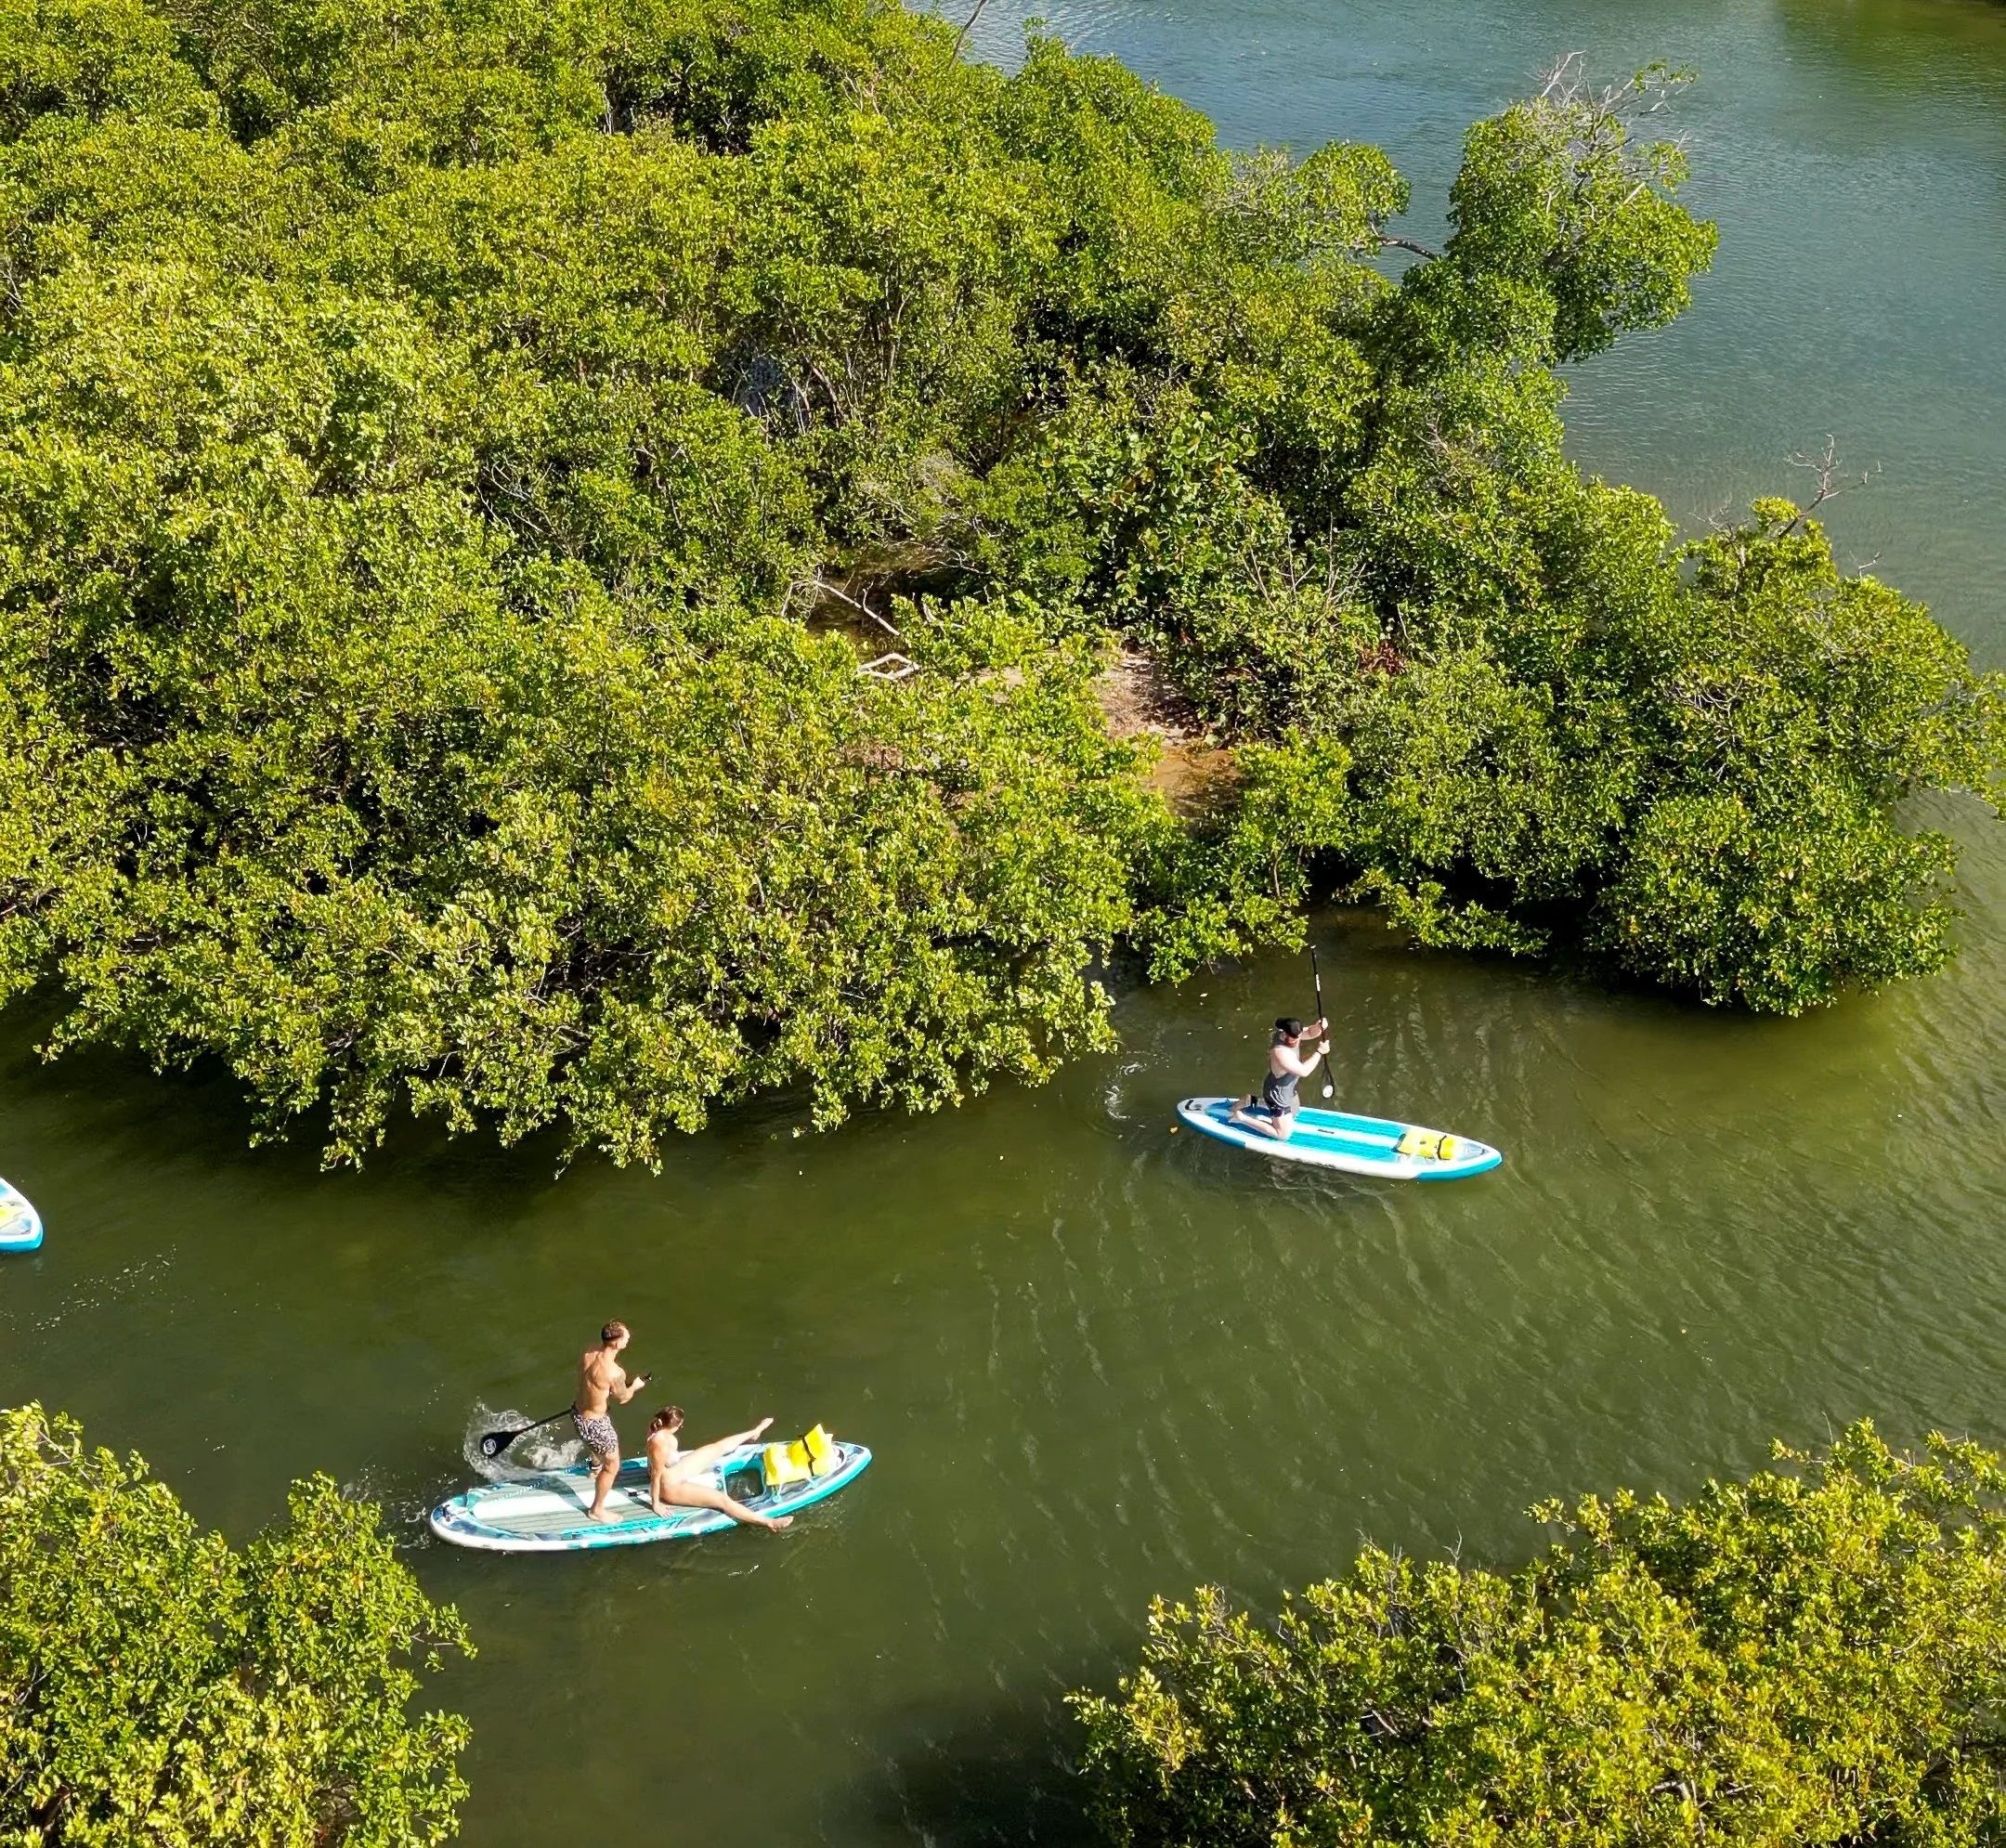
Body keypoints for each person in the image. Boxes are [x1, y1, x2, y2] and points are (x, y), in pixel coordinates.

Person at [645, 1407, 794, 1531]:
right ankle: (769, 1522)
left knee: (717, 1447)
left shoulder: (656, 1428)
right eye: (680, 1425)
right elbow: (656, 1477)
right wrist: (656, 1504)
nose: (681, 1428)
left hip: (676, 1470)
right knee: (721, 1499)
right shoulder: (661, 1445)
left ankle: (755, 1431)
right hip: (669, 1486)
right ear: (672, 1426)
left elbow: (653, 1462)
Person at [573, 1321, 650, 1522]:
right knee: (613, 1466)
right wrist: (635, 1385)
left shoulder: (588, 1352)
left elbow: (591, 1380)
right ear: (616, 1343)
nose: (628, 1338)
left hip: (577, 1413)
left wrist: (601, 1389)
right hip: (594, 1425)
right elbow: (623, 1398)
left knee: (597, 1450)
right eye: (625, 1337)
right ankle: (596, 1510)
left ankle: (594, 1468)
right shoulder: (615, 1373)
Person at [1229, 1015, 1330, 1140]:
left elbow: (1309, 1032)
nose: (1297, 1041)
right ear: (1284, 1033)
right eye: (1293, 1038)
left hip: (1288, 1089)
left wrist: (1318, 1027)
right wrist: (1319, 1052)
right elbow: (1303, 1071)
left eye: (1298, 1037)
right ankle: (1241, 1117)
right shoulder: (1280, 1052)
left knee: (1294, 1113)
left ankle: (1252, 1101)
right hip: (1278, 1095)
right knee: (1283, 1134)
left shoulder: (1293, 1035)